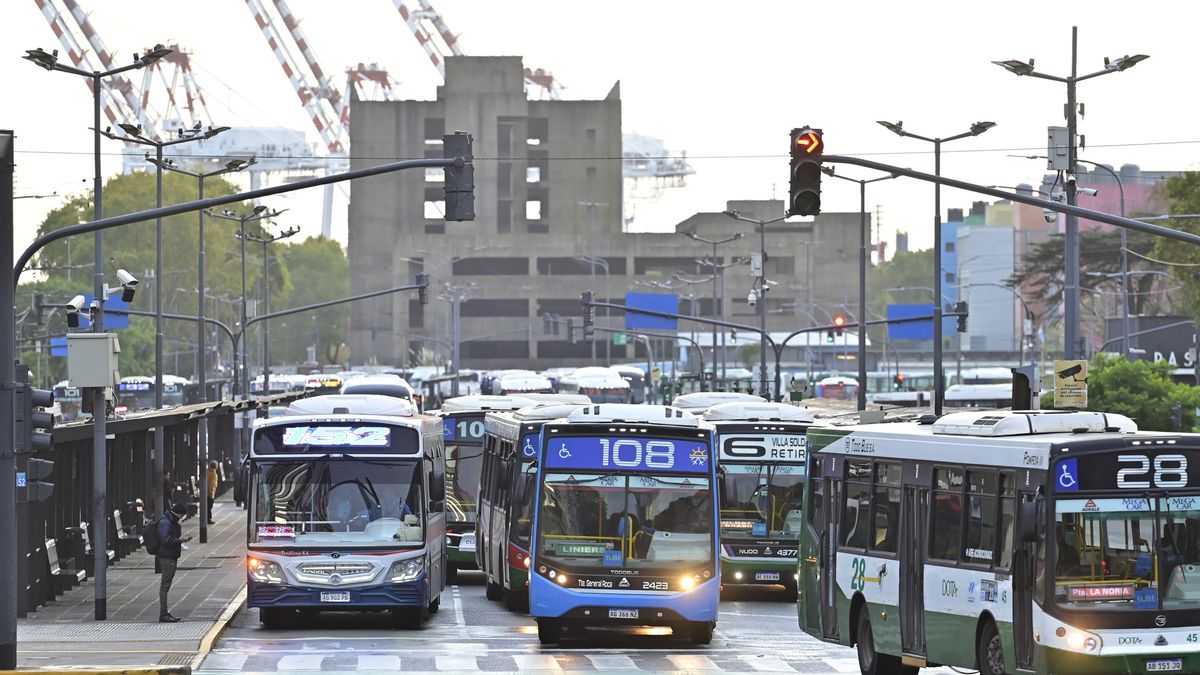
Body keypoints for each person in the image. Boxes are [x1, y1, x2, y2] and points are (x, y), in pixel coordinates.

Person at [156, 502, 191, 623]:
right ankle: (163, 613)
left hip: (169, 556)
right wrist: (180, 540)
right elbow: (165, 540)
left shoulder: (169, 521)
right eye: (181, 516)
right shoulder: (166, 522)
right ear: (179, 514)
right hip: (167, 557)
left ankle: (164, 613)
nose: (181, 519)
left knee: (165, 586)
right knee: (165, 587)